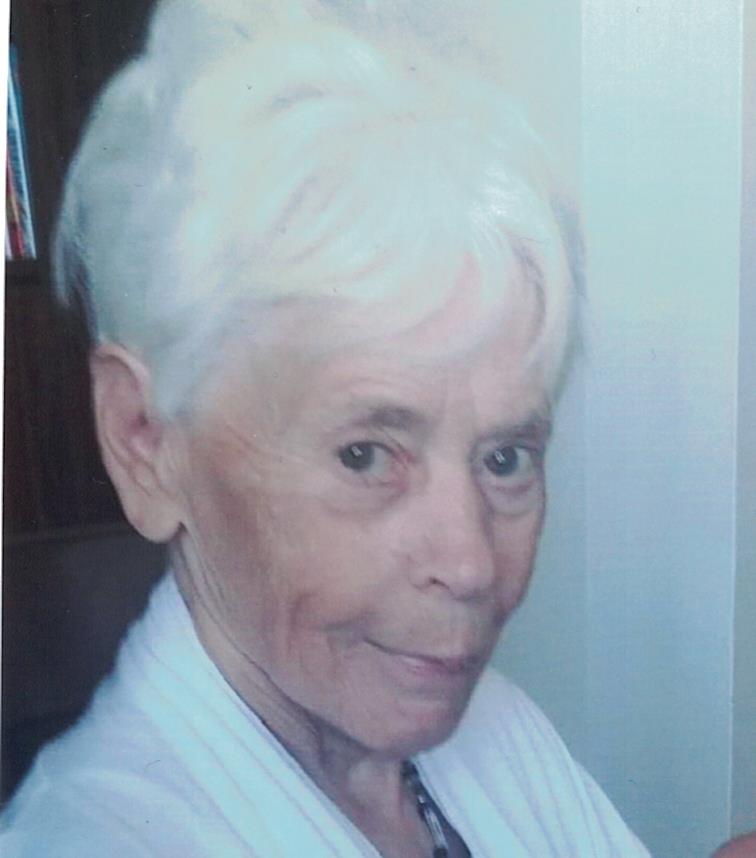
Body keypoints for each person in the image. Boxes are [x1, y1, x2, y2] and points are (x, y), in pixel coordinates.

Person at [0, 1, 650, 855]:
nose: (471, 565)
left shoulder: (499, 731)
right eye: (366, 455)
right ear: (145, 440)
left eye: (505, 458)